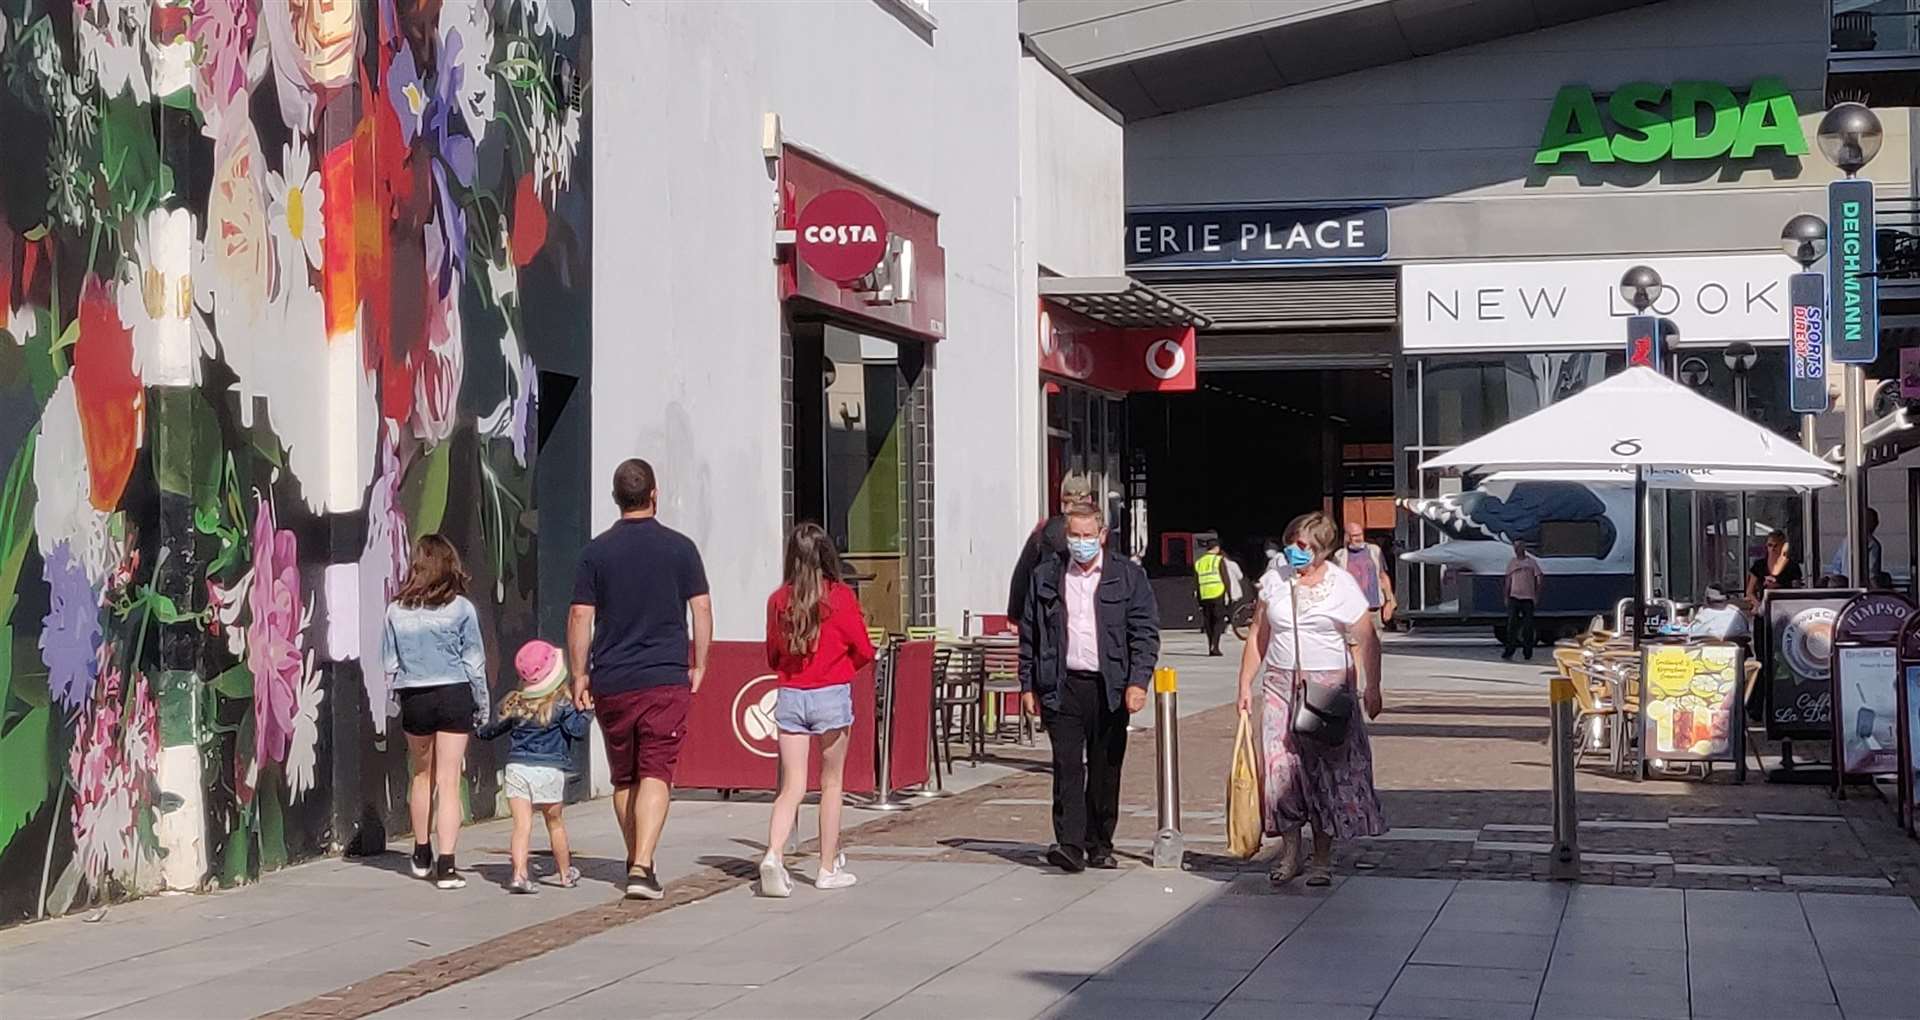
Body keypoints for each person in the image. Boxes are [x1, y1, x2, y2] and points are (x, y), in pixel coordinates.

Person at [568, 459, 713, 900]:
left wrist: (578, 674)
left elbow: (579, 615)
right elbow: (701, 608)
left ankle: (636, 860)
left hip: (612, 677)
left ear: (616, 499)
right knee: (656, 770)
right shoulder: (681, 548)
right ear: (655, 494)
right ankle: (642, 864)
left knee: (625, 777)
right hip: (664, 675)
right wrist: (700, 661)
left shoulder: (596, 552)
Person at [1235, 511, 1386, 887]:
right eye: (1291, 543)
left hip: (1327, 688)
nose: (1294, 551)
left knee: (1325, 771)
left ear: (1322, 549)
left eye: (1303, 546)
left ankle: (1321, 857)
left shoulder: (1341, 585)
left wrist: (1373, 686)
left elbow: (1368, 638)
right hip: (1279, 685)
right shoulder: (1275, 580)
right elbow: (1258, 634)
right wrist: (1244, 684)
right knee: (1279, 768)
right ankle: (1290, 852)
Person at [1018, 502, 1159, 873]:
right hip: (1062, 684)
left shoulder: (1128, 577)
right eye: (1074, 536)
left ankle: (1100, 842)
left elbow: (1144, 633)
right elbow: (1030, 634)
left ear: (1102, 535)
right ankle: (1070, 844)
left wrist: (1138, 681)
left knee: (1104, 766)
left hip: (1109, 686)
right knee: (1066, 766)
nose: (1081, 543)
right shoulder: (1046, 575)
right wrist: (1028, 684)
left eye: (1087, 536)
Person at [759, 523, 878, 897]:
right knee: (831, 784)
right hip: (830, 691)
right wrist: (842, 668)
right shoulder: (840, 597)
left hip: (792, 692)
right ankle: (826, 867)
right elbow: (863, 648)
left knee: (791, 786)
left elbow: (772, 654)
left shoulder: (779, 600)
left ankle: (773, 854)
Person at [382, 534, 491, 890]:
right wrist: (482, 704)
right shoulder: (461, 609)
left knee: (421, 775)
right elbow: (474, 662)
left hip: (415, 696)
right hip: (454, 692)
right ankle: (447, 865)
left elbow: (390, 662)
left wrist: (394, 700)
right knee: (448, 781)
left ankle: (420, 851)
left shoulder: (395, 610)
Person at [476, 640, 590, 894]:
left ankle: (518, 875)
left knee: (521, 825)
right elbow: (577, 732)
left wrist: (478, 727)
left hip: (517, 768)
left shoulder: (515, 703)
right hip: (549, 770)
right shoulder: (561, 704)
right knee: (555, 823)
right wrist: (587, 712)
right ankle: (565, 874)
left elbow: (490, 730)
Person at [1006, 473, 1095, 630]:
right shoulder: (1098, 533)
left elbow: (1022, 575)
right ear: (1090, 501)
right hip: (1087, 618)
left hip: (1048, 617)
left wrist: (1015, 616)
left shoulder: (1042, 531)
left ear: (1063, 503)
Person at [1332, 521, 1396, 634]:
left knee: (1374, 646)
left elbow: (1383, 576)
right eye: (1354, 535)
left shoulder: (1374, 551)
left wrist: (1389, 602)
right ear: (1347, 537)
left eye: (1360, 534)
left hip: (1373, 609)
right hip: (1351, 610)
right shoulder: (1340, 556)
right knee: (1353, 646)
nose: (1358, 538)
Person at [1501, 540, 1545, 661]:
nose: (1517, 549)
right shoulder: (1512, 563)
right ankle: (1509, 651)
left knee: (1528, 626)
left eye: (1519, 547)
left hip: (1528, 597)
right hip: (1514, 597)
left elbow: (1539, 578)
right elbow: (1508, 580)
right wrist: (1506, 596)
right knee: (1511, 626)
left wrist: (1536, 595)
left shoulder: (1531, 562)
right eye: (1515, 547)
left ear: (1524, 548)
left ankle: (1527, 652)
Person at [1194, 534, 1232, 656]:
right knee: (1218, 621)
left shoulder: (1199, 562)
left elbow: (1196, 582)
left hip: (1205, 594)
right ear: (1216, 548)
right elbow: (1225, 578)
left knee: (1208, 621)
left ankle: (1210, 644)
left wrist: (1199, 598)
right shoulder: (1218, 560)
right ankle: (1215, 646)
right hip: (1217, 592)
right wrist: (1229, 594)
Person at [1746, 530, 1803, 604]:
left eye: (1776, 546)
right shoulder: (1759, 565)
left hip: (1786, 605)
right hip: (1765, 606)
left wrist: (1778, 586)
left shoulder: (1792, 566)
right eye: (1770, 545)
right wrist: (1758, 605)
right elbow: (1750, 592)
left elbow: (1797, 591)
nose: (1772, 549)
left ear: (1782, 546)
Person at [1827, 508, 1883, 582]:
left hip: (1845, 586)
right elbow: (1872, 574)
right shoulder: (1873, 544)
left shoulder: (1847, 540)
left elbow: (1836, 566)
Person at [1686, 587, 1750, 642]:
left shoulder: (1704, 615)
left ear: (1707, 600)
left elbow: (1692, 635)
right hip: (1737, 652)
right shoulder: (1738, 614)